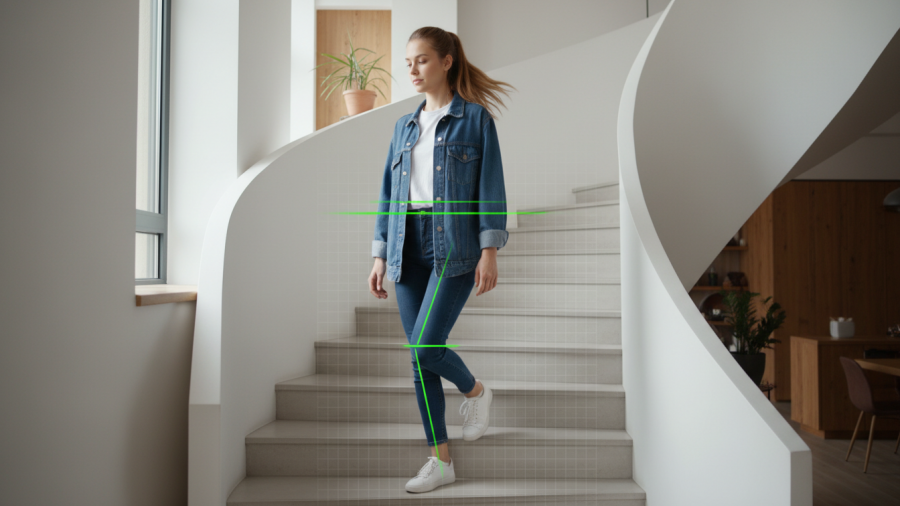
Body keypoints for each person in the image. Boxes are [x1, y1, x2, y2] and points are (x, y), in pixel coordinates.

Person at [367, 26, 516, 493]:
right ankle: (441, 460)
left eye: (422, 60)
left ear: (447, 61)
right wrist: (378, 254)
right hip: (406, 242)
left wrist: (489, 249)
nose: (412, 69)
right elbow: (389, 194)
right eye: (408, 61)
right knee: (419, 360)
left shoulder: (476, 121)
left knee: (425, 346)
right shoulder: (403, 126)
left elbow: (490, 190)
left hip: (453, 243)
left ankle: (476, 391)